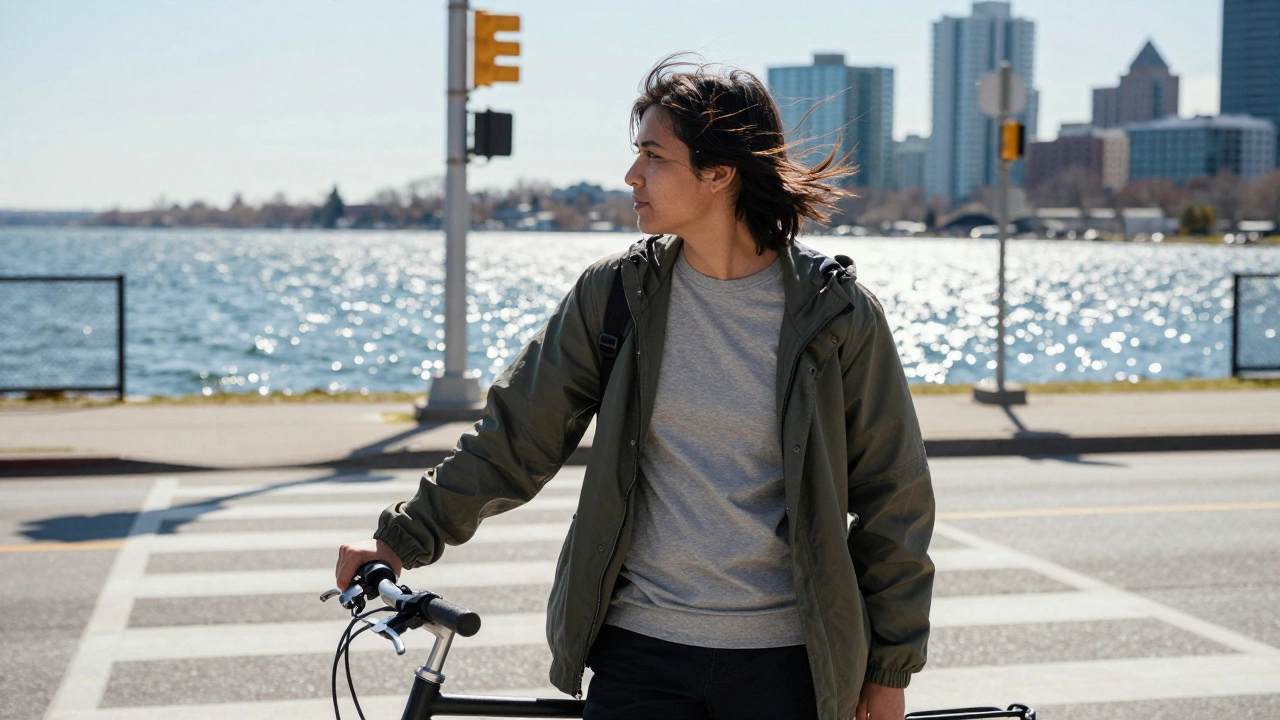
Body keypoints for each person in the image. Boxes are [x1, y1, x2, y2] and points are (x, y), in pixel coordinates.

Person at [335, 56, 934, 720]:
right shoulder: (616, 294)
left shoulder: (837, 314)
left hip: (789, 666)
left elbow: (894, 500)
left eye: (654, 155)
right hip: (641, 656)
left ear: (718, 172)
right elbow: (516, 442)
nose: (631, 175)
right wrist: (402, 538)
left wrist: (888, 669)